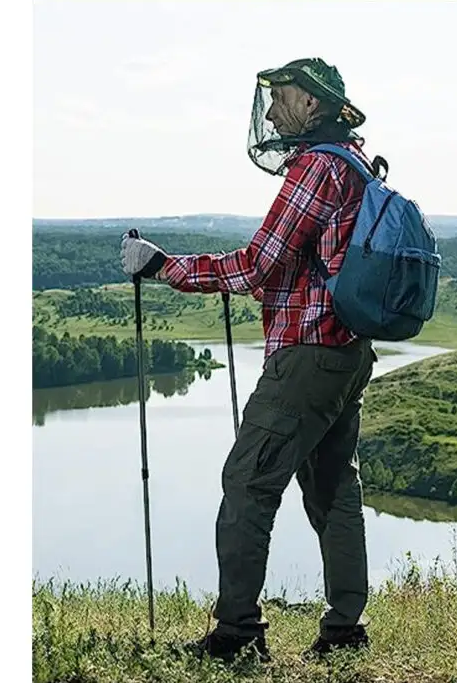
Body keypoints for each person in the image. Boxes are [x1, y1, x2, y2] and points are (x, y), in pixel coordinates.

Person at [120, 58, 379, 663]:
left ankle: (236, 635)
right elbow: (305, 269)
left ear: (312, 105)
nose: (268, 111)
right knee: (334, 487)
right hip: (348, 352)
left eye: (280, 98)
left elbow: (258, 265)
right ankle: (344, 631)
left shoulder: (315, 169)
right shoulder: (357, 164)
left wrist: (164, 268)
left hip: (307, 357)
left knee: (246, 482)